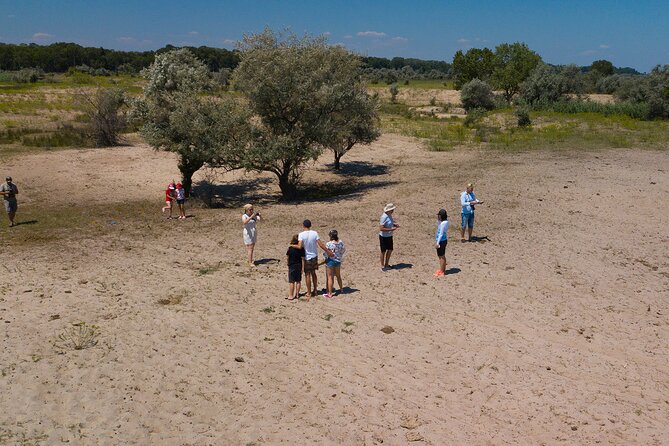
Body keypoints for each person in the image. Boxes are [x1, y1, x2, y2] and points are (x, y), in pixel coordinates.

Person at [297, 219, 333, 300]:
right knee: (313, 273)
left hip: (307, 257)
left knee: (307, 275)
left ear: (303, 225)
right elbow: (320, 244)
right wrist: (328, 251)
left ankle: (309, 292)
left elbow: (299, 246)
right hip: (314, 256)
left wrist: (292, 245)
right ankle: (315, 290)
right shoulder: (314, 233)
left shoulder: (301, 235)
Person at [323, 229, 346, 298]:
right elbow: (343, 250)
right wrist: (339, 256)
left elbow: (326, 254)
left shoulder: (329, 244)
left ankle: (329, 293)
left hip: (330, 261)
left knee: (330, 277)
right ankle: (341, 289)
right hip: (338, 261)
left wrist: (326, 257)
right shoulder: (340, 242)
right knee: (338, 276)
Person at [379, 203, 399, 271]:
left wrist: (394, 224)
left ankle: (386, 264)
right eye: (392, 209)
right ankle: (382, 266)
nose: (393, 210)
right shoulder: (384, 217)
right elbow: (381, 228)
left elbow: (389, 222)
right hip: (384, 237)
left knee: (390, 249)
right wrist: (391, 229)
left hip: (389, 236)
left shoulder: (389, 215)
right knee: (383, 251)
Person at [286, 234, 305, 301]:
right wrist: (303, 267)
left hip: (292, 265)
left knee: (292, 281)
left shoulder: (290, 248)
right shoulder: (301, 249)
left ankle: (291, 295)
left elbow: (288, 257)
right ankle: (297, 294)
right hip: (299, 265)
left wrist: (287, 263)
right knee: (298, 281)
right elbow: (303, 259)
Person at [434, 209, 449, 277]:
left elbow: (441, 233)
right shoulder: (442, 222)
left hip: (441, 241)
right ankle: (441, 269)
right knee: (440, 256)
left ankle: (442, 271)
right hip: (440, 240)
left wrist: (437, 243)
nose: (438, 217)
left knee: (442, 256)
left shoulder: (444, 223)